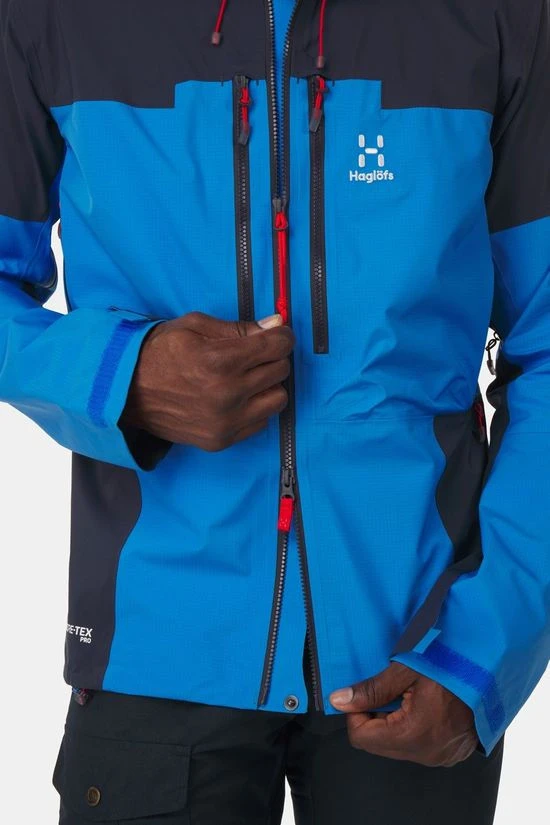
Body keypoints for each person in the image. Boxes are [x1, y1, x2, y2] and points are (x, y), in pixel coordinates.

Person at [1, 0, 548, 822]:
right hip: (157, 645)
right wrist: (123, 374)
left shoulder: (502, 15)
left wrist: (487, 648)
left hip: (423, 653)